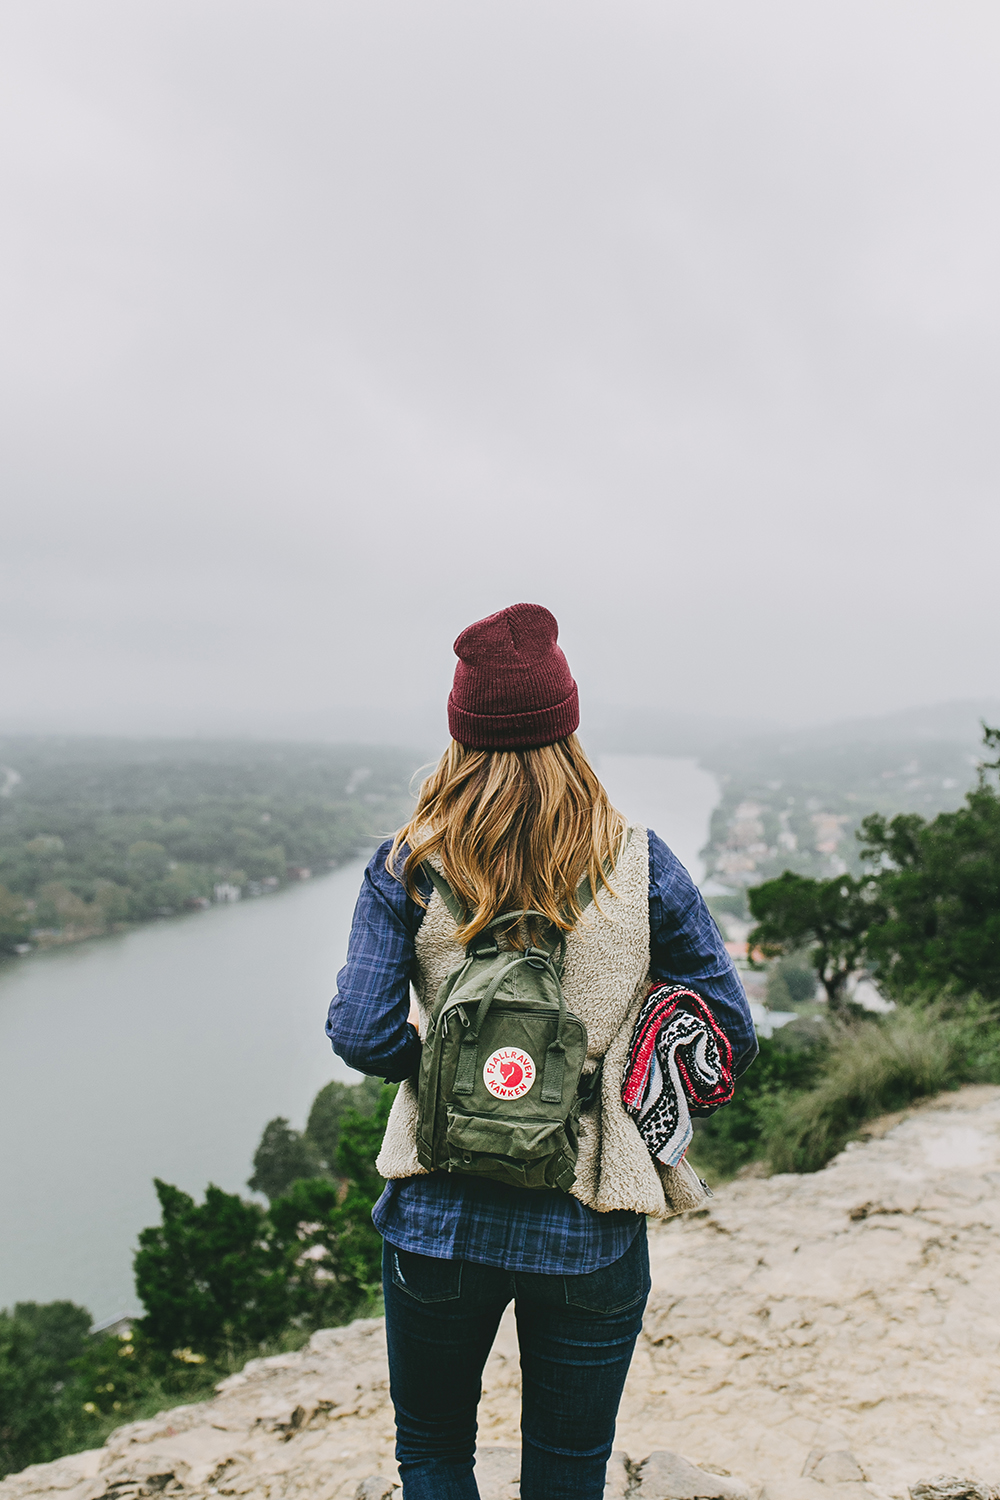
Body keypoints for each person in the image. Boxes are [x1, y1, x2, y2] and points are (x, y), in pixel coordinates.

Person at [326, 602, 756, 1500]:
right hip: (589, 1217)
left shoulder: (407, 865)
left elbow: (362, 1034)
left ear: (459, 735)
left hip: (435, 1219)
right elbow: (728, 1038)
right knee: (566, 1471)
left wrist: (453, 1075)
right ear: (568, 727)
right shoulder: (642, 865)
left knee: (434, 1457)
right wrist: (606, 1072)